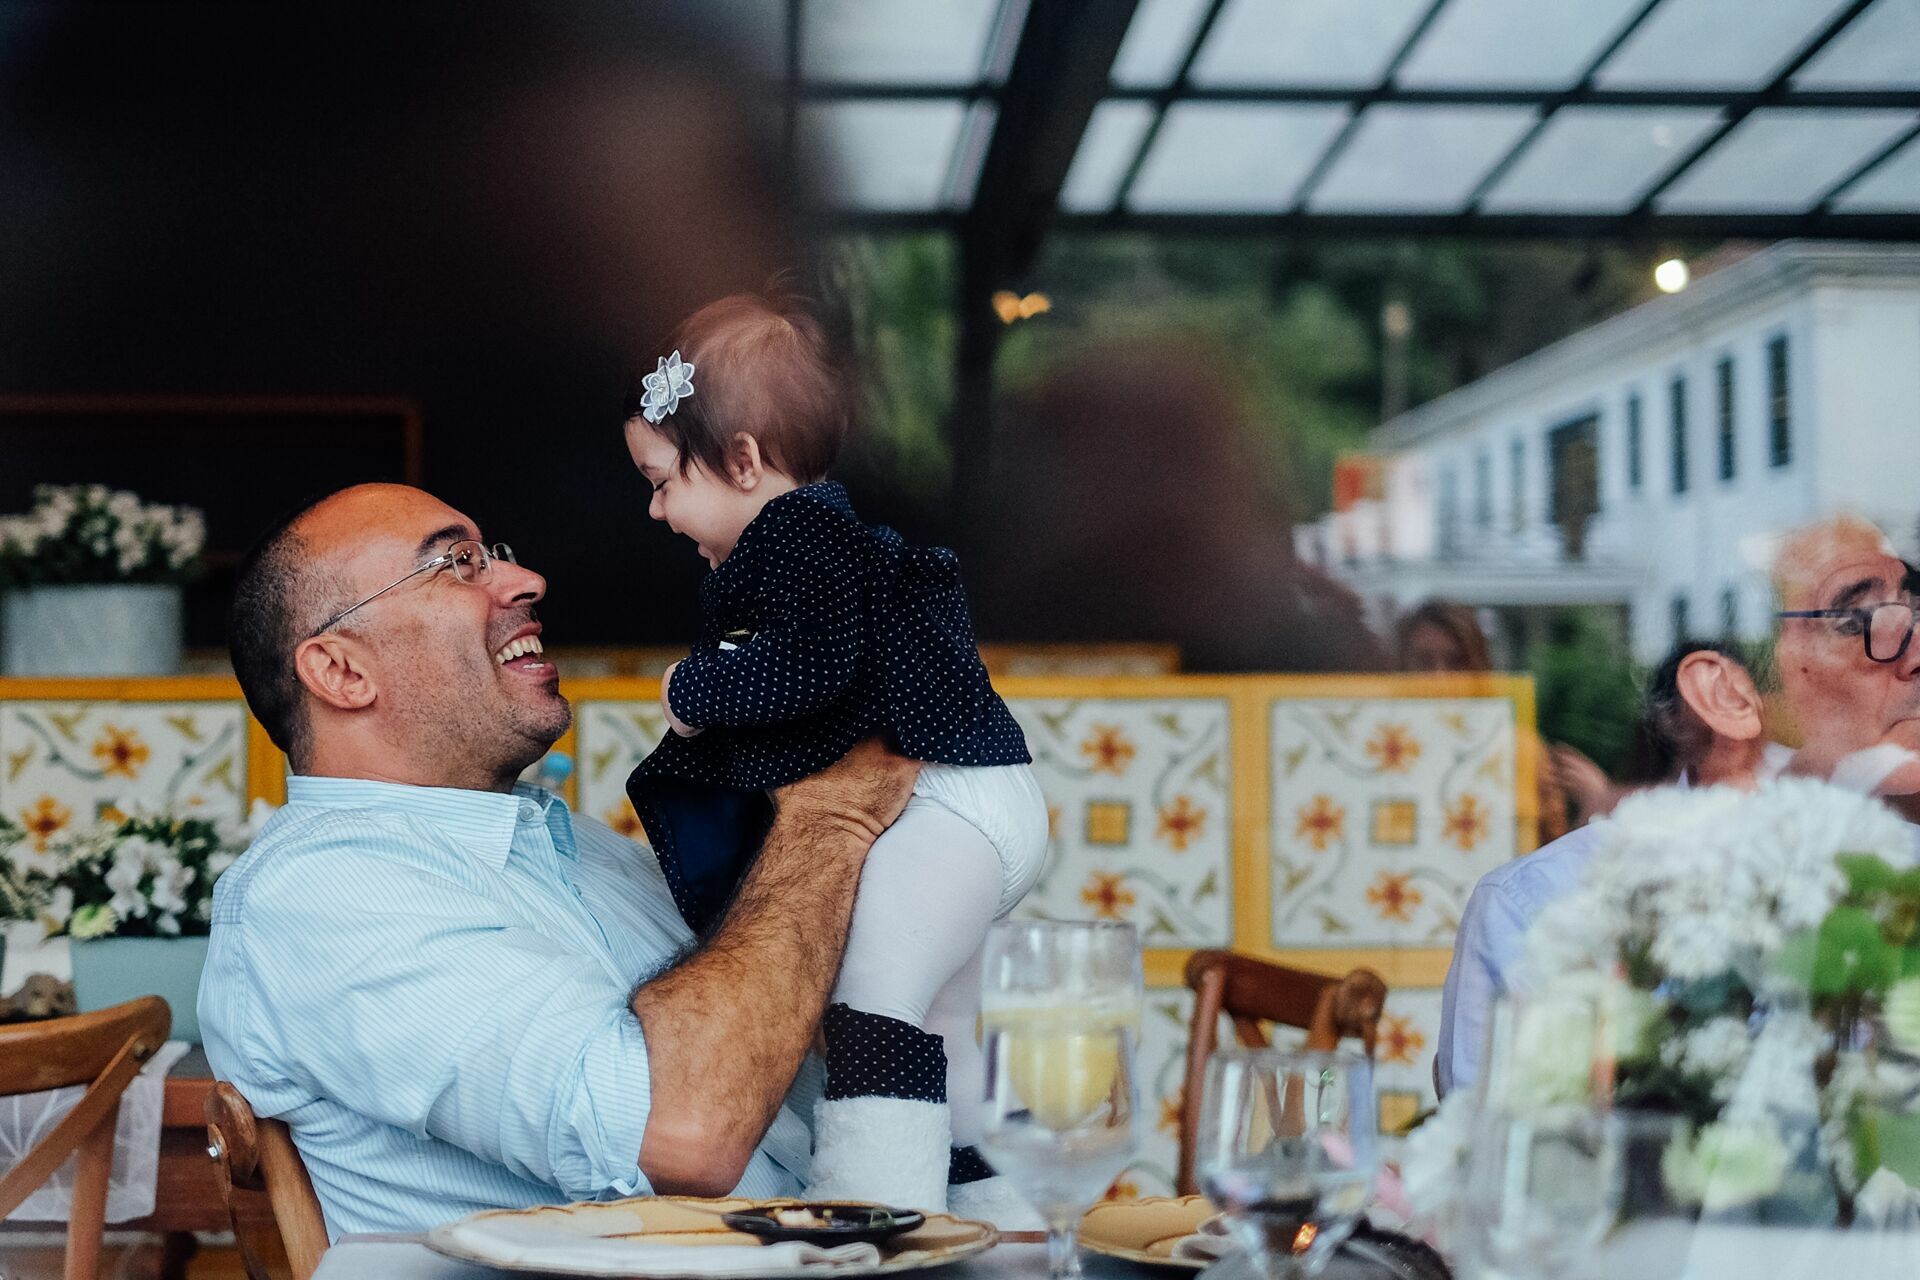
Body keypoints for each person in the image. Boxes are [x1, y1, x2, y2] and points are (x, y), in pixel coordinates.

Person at [201, 482, 920, 1238]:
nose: (525, 580)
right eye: (457, 563)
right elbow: (682, 1132)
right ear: (342, 672)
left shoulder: (575, 848)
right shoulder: (321, 896)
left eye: (496, 554)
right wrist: (829, 816)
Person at [621, 287, 1048, 1214]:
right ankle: (996, 1222)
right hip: (973, 802)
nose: (655, 512)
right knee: (943, 1025)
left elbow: (812, 665)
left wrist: (691, 695)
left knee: (869, 1003)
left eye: (662, 482)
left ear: (741, 460)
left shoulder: (800, 538)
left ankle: (869, 1213)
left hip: (945, 805)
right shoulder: (814, 541)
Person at [1435, 638, 1768, 1096]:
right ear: (1718, 701)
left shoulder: (1880, 871)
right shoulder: (1534, 896)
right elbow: (1488, 1134)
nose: (1904, 665)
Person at [1392, 599, 1570, 846]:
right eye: (1423, 662)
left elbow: (1548, 849)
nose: (1439, 678)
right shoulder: (1376, 752)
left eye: (1456, 662)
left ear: (1479, 668)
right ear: (1401, 668)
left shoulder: (1516, 749)